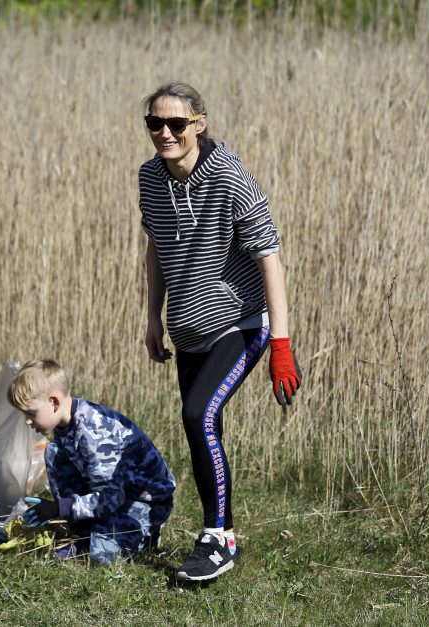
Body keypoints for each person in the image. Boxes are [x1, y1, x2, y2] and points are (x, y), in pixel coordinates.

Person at [138, 82, 302, 581]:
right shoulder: (149, 178)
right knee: (202, 430)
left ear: (199, 124)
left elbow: (269, 259)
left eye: (176, 124)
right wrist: (152, 316)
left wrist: (281, 345)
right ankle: (220, 533)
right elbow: (155, 247)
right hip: (188, 330)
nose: (165, 133)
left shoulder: (230, 177)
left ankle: (218, 539)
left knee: (198, 413)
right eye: (155, 124)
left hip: (241, 322)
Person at [8, 358, 176, 565]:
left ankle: (146, 534)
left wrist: (60, 508)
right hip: (114, 496)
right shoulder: (65, 424)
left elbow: (110, 497)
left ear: (54, 402)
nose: (27, 420)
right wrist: (62, 509)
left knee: (102, 555)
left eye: (31, 413)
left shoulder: (94, 434)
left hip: (143, 501)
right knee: (53, 452)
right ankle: (84, 529)